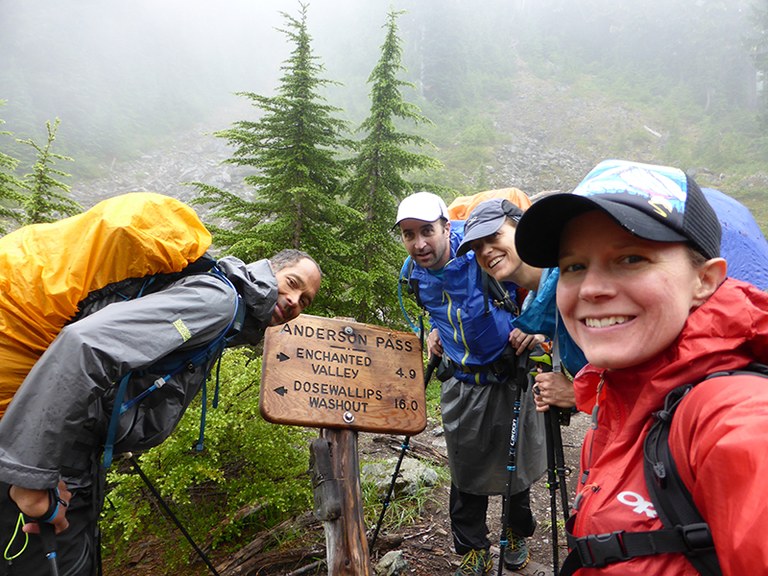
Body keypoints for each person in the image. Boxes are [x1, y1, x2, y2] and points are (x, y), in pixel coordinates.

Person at [511, 158, 768, 574]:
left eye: (631, 258)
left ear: (705, 280)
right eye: (574, 266)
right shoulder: (618, 391)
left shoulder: (735, 416)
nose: (592, 288)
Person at [0, 247, 322, 576]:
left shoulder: (231, 316)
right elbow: (86, 344)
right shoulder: (219, 303)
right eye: (292, 282)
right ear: (269, 270)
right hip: (48, 461)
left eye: (306, 299)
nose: (296, 300)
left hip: (70, 454)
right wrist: (30, 477)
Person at [396, 191, 545, 575]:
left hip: (509, 375)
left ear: (447, 226)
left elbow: (538, 281)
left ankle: (516, 533)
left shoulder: (482, 252)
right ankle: (473, 546)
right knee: (465, 471)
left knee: (518, 465)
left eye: (427, 230)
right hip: (460, 381)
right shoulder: (413, 273)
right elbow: (439, 310)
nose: (419, 243)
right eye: (409, 234)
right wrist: (433, 333)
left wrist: (535, 328)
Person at [456, 198, 582, 412]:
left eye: (494, 235)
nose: (485, 251)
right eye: (477, 247)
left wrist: (578, 394)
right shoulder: (540, 308)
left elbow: (641, 381)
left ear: (523, 229)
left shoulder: (574, 284)